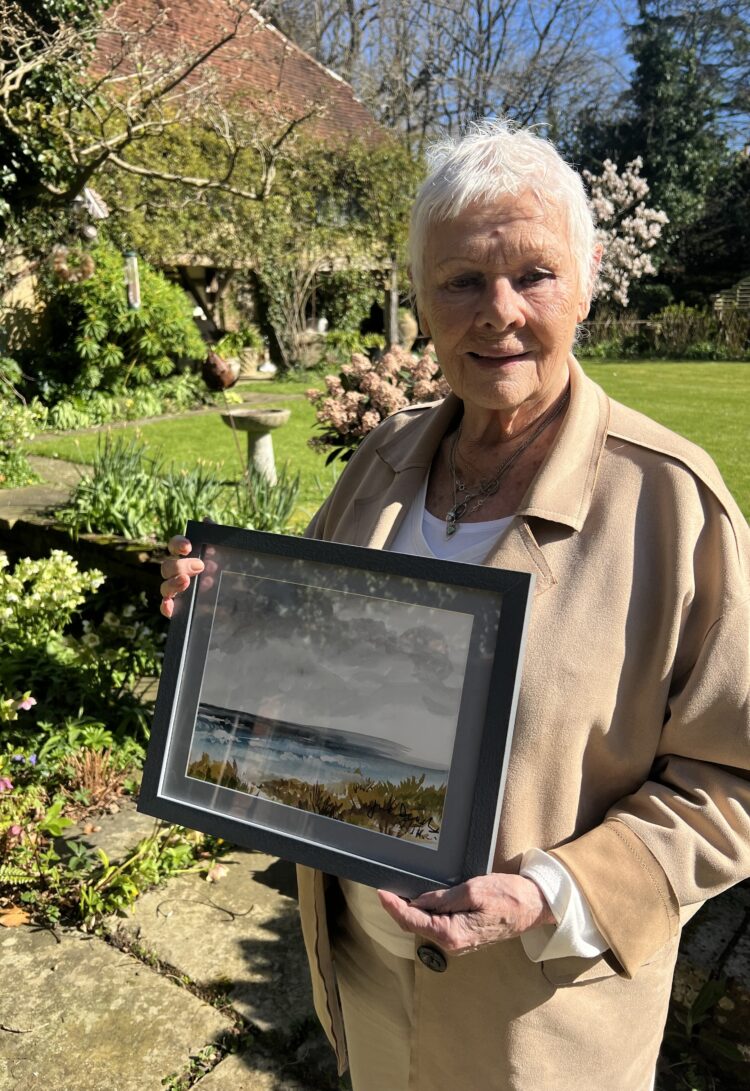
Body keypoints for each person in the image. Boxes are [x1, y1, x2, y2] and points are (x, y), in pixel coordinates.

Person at [160, 119, 750, 1091]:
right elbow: (307, 663)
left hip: (537, 1028)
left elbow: (732, 781)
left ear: (590, 278)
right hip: (362, 981)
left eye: (534, 274)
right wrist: (223, 627)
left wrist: (548, 889)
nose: (497, 312)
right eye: (463, 281)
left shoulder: (671, 504)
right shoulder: (386, 456)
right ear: (424, 298)